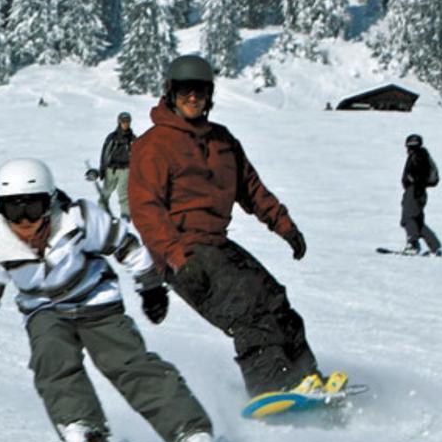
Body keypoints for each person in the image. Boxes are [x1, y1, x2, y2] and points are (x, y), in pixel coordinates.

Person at [0, 158, 215, 442]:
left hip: (96, 303)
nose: (24, 220)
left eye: (33, 207)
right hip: (45, 309)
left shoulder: (77, 219)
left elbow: (124, 243)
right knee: (51, 357)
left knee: (125, 362)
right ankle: (83, 426)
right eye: (13, 210)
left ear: (50, 202)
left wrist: (149, 286)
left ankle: (188, 431)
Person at [128, 54, 343, 401]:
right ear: (170, 93)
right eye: (185, 91)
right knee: (249, 312)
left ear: (210, 94)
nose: (193, 98)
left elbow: (251, 189)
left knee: (276, 301)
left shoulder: (222, 141)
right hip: (184, 251)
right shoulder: (153, 145)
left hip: (216, 244)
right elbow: (146, 210)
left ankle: (307, 381)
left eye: (199, 91)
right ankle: (271, 392)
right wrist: (178, 259)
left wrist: (284, 226)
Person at [85, 111, 136, 218]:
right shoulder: (112, 137)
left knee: (123, 194)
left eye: (128, 121)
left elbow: (137, 156)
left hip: (126, 169)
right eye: (123, 121)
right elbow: (105, 153)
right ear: (119, 122)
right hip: (111, 169)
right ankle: (102, 214)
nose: (125, 124)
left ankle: (125, 217)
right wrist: (102, 170)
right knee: (105, 193)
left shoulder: (133, 139)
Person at [400, 133, 441, 255]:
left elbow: (420, 174)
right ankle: (435, 246)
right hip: (418, 191)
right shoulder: (420, 154)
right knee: (417, 221)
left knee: (408, 218)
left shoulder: (419, 155)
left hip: (415, 191)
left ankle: (413, 244)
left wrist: (414, 183)